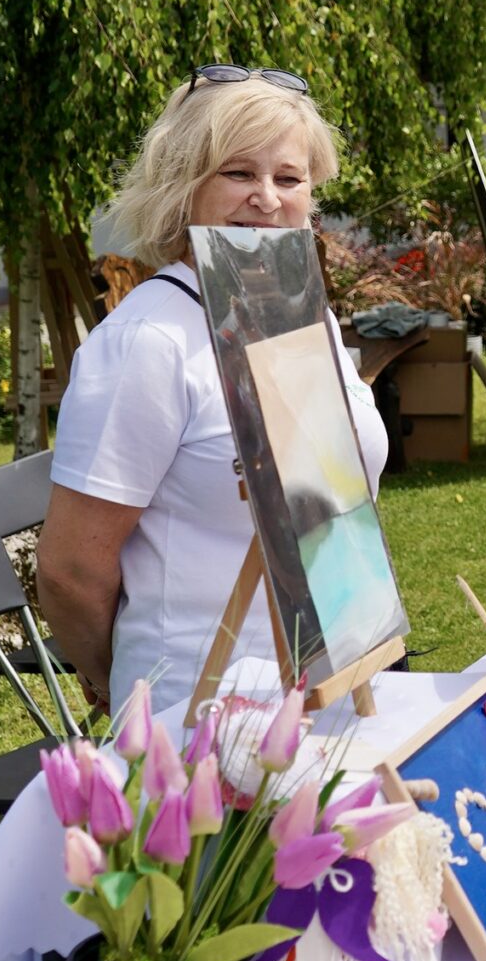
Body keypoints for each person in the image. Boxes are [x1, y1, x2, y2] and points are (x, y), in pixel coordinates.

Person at [37, 67, 389, 714]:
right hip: (202, 716)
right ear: (183, 187)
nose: (267, 198)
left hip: (335, 687)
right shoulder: (147, 341)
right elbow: (70, 572)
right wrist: (122, 683)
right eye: (238, 173)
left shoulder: (296, 310)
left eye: (289, 178)